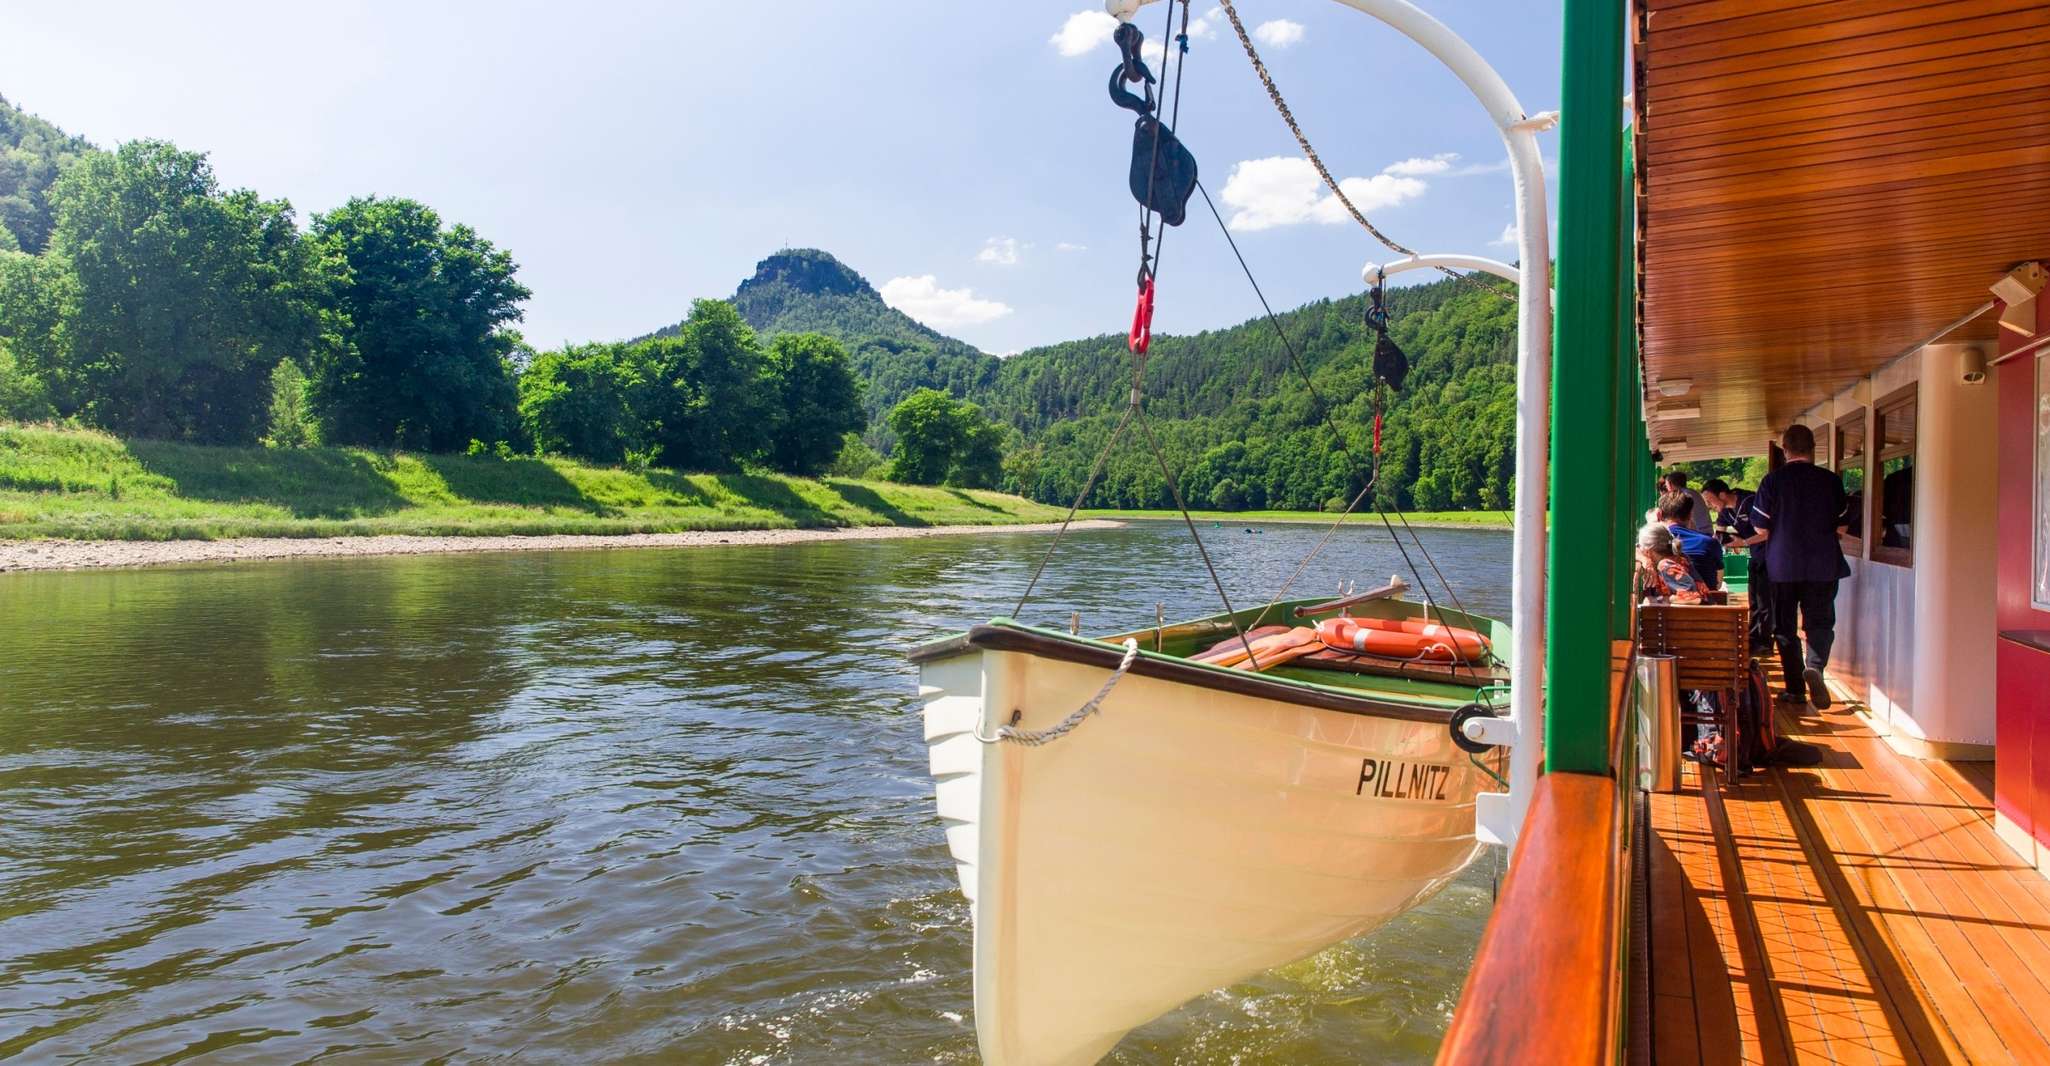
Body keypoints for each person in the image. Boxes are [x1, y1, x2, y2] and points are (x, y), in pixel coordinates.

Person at [1750, 424, 1850, 709]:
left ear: (1785, 450)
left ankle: (1795, 688)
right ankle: (1815, 668)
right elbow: (1842, 523)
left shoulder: (1773, 481)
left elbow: (1760, 525)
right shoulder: (1831, 481)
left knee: (1784, 627)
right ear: (1813, 449)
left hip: (1782, 565)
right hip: (1823, 563)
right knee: (1820, 621)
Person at [1703, 477, 1773, 652]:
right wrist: (1720, 540)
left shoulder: (1750, 502)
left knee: (1764, 600)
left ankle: (1764, 641)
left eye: (1710, 500)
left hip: (1769, 554)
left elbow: (1767, 532)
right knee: (1754, 598)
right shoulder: (1725, 511)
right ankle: (1754, 636)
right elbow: (1719, 532)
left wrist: (1743, 542)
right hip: (1756, 556)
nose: (1709, 505)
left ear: (1722, 494)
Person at [1657, 492, 1723, 589]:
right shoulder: (1710, 543)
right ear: (1690, 515)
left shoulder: (1652, 543)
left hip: (1662, 601)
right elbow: (1718, 583)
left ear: (1659, 515)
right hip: (1704, 601)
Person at [1636, 522, 1705, 604]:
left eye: (1640, 546)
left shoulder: (1666, 566)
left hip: (1701, 615)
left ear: (1648, 551)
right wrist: (1644, 559)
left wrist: (1657, 600)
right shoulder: (1678, 557)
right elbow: (1634, 551)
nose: (1638, 549)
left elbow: (1695, 599)